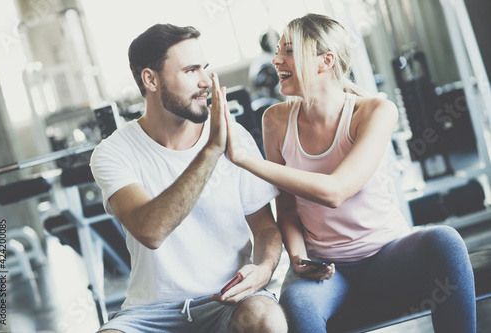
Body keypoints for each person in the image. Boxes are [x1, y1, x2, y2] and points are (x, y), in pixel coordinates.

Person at [224, 13, 476, 333]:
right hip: (328, 270)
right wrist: (300, 259)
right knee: (297, 307)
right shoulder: (275, 119)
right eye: (277, 51)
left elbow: (335, 191)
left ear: (325, 61)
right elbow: (287, 208)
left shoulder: (374, 111)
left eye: (288, 51)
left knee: (446, 241)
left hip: (388, 255)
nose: (276, 60)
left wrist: (244, 158)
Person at [90, 23, 287, 333]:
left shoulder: (235, 137)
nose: (206, 81)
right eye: (191, 71)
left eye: (205, 69)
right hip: (150, 313)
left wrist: (263, 268)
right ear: (150, 79)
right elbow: (151, 231)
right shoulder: (113, 152)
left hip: (229, 298)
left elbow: (265, 227)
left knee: (266, 318)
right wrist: (211, 151)